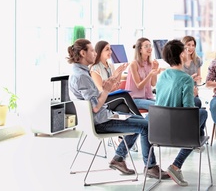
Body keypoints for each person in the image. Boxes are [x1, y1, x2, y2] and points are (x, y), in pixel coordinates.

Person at [67, 39, 169, 179]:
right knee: (146, 125)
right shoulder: (82, 76)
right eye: (92, 50)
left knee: (139, 120)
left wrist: (108, 85)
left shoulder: (79, 73)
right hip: (102, 121)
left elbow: (94, 102)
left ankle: (119, 158)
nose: (95, 53)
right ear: (83, 53)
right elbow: (96, 107)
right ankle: (150, 167)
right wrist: (106, 90)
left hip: (104, 116)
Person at [154, 39, 208, 187]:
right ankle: (177, 164)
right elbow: (189, 111)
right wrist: (192, 91)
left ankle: (195, 141)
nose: (187, 51)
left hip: (159, 129)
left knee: (198, 106)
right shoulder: (186, 79)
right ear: (180, 55)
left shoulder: (163, 76)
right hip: (177, 131)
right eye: (184, 49)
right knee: (203, 113)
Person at [90, 40, 130, 112]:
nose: (110, 51)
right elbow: (101, 90)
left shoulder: (111, 66)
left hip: (111, 97)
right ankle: (144, 122)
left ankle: (140, 122)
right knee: (125, 96)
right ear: (100, 51)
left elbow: (116, 83)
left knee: (123, 108)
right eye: (107, 49)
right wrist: (114, 75)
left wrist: (120, 71)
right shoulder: (95, 69)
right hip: (102, 101)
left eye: (110, 49)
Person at [125, 37, 161, 111]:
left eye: (150, 46)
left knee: (164, 104)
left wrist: (155, 70)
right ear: (140, 50)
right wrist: (150, 75)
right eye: (146, 46)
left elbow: (153, 84)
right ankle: (149, 122)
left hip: (147, 98)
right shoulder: (134, 64)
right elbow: (139, 86)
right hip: (134, 99)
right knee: (158, 107)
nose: (149, 48)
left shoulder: (150, 64)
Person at [181, 35, 203, 108]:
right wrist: (190, 79)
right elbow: (177, 80)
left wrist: (198, 79)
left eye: (193, 45)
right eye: (188, 45)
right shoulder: (178, 61)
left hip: (193, 91)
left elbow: (199, 80)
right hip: (181, 92)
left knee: (197, 103)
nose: (191, 47)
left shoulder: (197, 60)